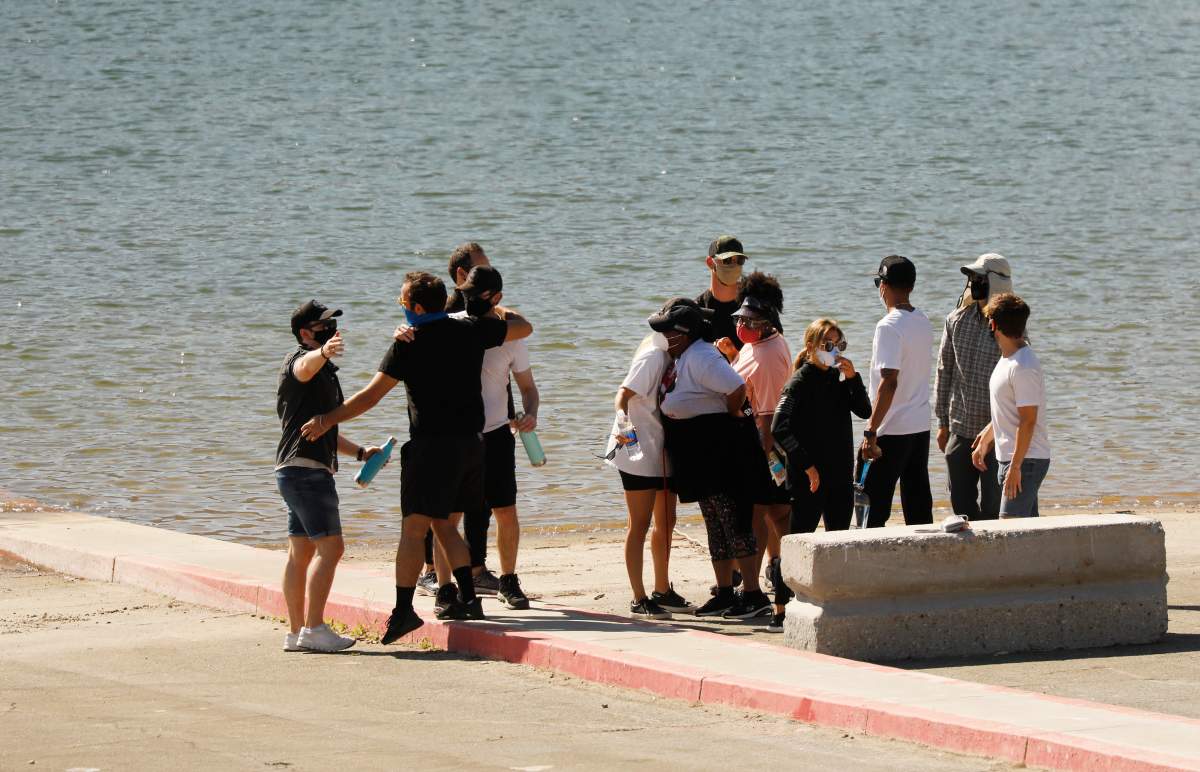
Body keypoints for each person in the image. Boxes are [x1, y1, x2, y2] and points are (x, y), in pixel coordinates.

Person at [299, 272, 532, 644]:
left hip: (432, 449)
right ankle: (469, 599)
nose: (401, 308)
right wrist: (489, 308)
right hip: (473, 447)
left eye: (403, 302)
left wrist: (328, 419)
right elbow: (523, 327)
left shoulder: (408, 344)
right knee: (445, 525)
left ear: (417, 308)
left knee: (413, 530)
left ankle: (404, 611)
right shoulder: (472, 330)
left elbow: (370, 397)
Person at [276, 300, 383, 652]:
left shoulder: (323, 370)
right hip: (305, 472)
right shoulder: (301, 361)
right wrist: (321, 351)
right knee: (332, 547)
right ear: (305, 333)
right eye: (321, 327)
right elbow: (302, 368)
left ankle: (295, 633)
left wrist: (359, 453)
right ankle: (314, 628)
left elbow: (323, 429)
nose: (330, 330)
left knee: (301, 552)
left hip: (295, 470)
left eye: (331, 325)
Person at [652, 298, 769, 620]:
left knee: (735, 522)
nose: (663, 338)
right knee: (715, 523)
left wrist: (730, 415)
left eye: (667, 332)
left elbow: (737, 388)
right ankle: (726, 593)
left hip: (719, 449)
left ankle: (753, 594)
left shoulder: (702, 356)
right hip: (698, 450)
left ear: (684, 333)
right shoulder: (685, 355)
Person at [434, 265, 538, 611]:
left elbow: (528, 387)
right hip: (458, 435)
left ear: (496, 298)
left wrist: (530, 413)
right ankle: (444, 587)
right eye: (464, 291)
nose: (468, 298)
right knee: (449, 516)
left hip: (496, 435)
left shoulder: (512, 336)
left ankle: (508, 580)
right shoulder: (454, 326)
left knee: (505, 510)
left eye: (476, 293)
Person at [769, 319, 871, 630]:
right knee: (798, 538)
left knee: (838, 538)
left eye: (840, 344)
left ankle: (832, 601)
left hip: (840, 473)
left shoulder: (840, 381)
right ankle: (780, 606)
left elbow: (865, 411)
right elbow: (778, 427)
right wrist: (806, 464)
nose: (834, 351)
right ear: (813, 346)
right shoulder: (800, 381)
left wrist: (853, 379)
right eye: (828, 344)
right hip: (810, 476)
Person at [413, 241, 494, 594]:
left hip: (477, 422)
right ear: (462, 275)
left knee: (475, 504)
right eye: (481, 270)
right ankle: (434, 570)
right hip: (442, 427)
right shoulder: (447, 316)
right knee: (442, 509)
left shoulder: (488, 314)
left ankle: (474, 567)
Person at [605, 327, 691, 619]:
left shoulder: (674, 354)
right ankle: (638, 597)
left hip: (661, 451)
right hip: (636, 451)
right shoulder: (653, 356)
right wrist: (624, 427)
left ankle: (662, 590)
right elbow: (622, 395)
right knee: (639, 524)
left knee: (666, 520)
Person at [729, 273, 792, 617]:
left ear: (767, 320)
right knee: (772, 517)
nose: (744, 325)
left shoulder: (768, 356)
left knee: (765, 517)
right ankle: (774, 577)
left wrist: (763, 462)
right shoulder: (758, 345)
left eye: (752, 320)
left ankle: (758, 591)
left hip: (764, 447)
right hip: (756, 443)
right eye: (741, 318)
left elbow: (767, 418)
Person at [934, 253, 1014, 520]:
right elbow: (944, 372)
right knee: (961, 507)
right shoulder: (956, 320)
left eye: (980, 277)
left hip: (997, 434)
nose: (973, 282)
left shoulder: (1011, 327)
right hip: (961, 429)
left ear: (996, 282)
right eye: (972, 277)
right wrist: (943, 424)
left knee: (994, 509)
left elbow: (1018, 381)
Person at [860, 255, 934, 527]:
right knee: (917, 504)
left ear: (884, 286)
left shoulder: (888, 326)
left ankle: (867, 564)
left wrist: (871, 430)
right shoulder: (923, 320)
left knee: (870, 507)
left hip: (891, 428)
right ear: (911, 287)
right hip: (919, 426)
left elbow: (889, 382)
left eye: (879, 282)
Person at [971, 294, 1050, 517]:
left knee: (1009, 526)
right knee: (1026, 531)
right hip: (1017, 459)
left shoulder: (1023, 365)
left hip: (1026, 461)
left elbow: (1028, 420)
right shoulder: (1008, 359)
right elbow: (1008, 410)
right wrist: (986, 437)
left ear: (993, 324)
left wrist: (1015, 467)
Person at [695, 235, 747, 363]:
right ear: (710, 262)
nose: (734, 265)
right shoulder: (697, 310)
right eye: (727, 260)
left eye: (739, 260)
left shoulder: (755, 306)